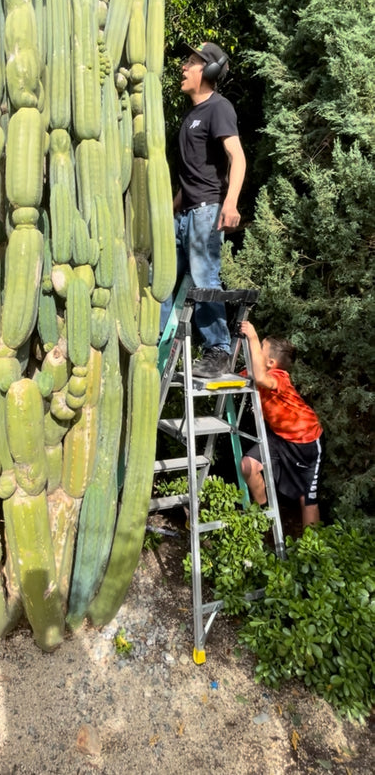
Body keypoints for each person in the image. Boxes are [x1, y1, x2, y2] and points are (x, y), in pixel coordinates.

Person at [161, 41, 246, 378]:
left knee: (203, 278)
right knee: (161, 279)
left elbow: (237, 157)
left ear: (209, 70)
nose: (183, 67)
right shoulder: (191, 116)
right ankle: (159, 346)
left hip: (207, 212)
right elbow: (191, 177)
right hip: (184, 213)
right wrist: (168, 213)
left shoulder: (218, 108)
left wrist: (231, 202)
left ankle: (219, 351)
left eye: (191, 62)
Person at [239, 320, 325, 528]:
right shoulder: (256, 372)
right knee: (248, 466)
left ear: (270, 362)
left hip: (306, 442)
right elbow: (239, 377)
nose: (255, 349)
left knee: (307, 499)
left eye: (260, 348)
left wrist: (252, 336)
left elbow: (261, 378)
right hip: (278, 436)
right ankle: (264, 516)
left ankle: (313, 546)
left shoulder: (279, 377)